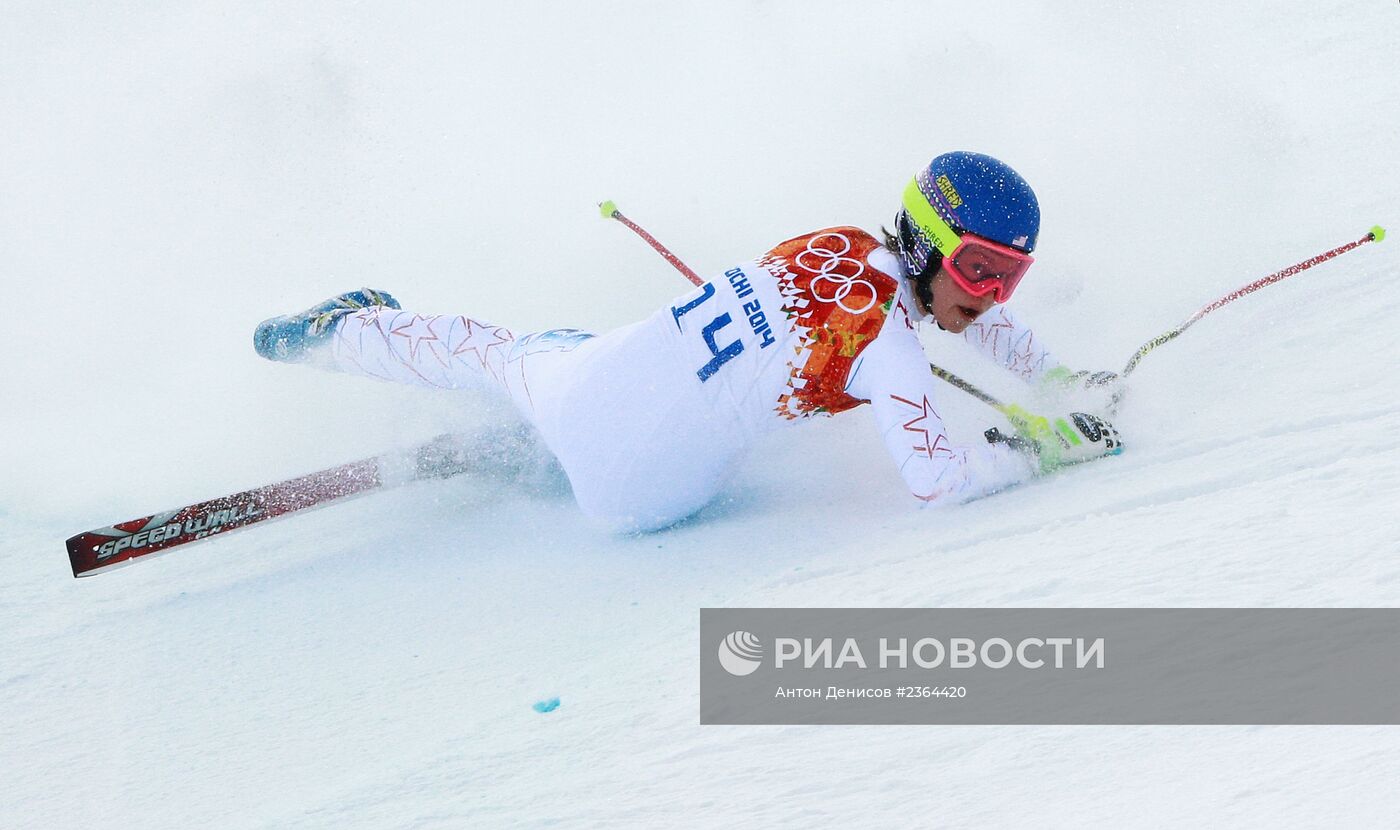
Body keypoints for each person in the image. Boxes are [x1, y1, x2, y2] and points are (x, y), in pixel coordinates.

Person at [254, 151, 1122, 532]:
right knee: (629, 394)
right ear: (932, 242)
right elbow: (939, 482)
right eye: (979, 270)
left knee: (493, 347)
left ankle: (342, 332)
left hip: (575, 390)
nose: (990, 297)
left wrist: (1056, 377)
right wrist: (1046, 447)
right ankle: (537, 457)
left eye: (1011, 278)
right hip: (639, 504)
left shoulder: (842, 244)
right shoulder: (887, 347)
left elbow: (960, 314)